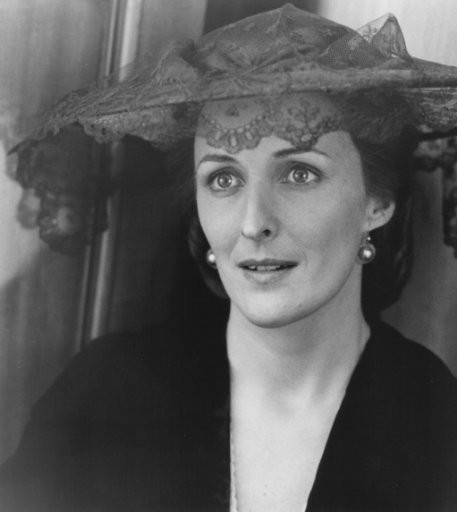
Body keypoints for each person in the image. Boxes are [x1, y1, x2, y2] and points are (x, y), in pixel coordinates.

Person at [1, 4, 457, 511]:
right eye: (224, 179)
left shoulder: (438, 425)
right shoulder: (103, 391)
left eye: (299, 174)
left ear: (378, 202)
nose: (253, 222)